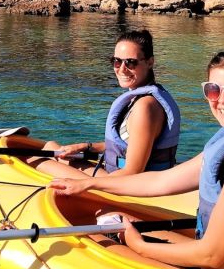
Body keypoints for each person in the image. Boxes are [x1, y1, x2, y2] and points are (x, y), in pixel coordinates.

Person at [50, 48, 224, 269]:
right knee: (111, 218)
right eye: (213, 90)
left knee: (95, 236)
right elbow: (161, 181)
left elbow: (211, 256)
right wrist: (88, 185)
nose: (222, 100)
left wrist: (138, 245)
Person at [34, 29, 181, 178]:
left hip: (128, 186)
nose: (122, 69)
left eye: (131, 62)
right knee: (52, 146)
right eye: (117, 61)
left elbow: (132, 173)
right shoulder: (143, 98)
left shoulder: (145, 107)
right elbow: (131, 146)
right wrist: (87, 147)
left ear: (150, 62)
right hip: (121, 176)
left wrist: (86, 184)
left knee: (38, 160)